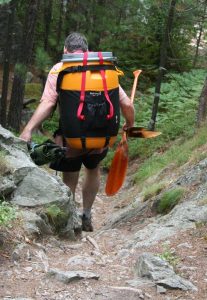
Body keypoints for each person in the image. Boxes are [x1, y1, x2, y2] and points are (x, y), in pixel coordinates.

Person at [20, 32, 134, 232]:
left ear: (65, 50)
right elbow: (126, 103)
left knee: (71, 174)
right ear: (87, 51)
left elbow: (48, 103)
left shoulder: (59, 69)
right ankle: (87, 214)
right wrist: (129, 125)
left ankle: (70, 218)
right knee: (93, 170)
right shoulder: (106, 68)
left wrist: (28, 129)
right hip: (100, 139)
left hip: (71, 137)